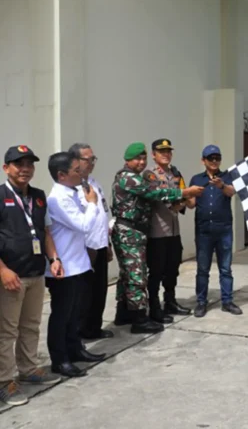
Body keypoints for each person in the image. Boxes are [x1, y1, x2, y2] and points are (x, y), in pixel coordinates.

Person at [111, 142, 203, 334]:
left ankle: (124, 313)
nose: (141, 162)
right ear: (128, 160)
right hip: (133, 231)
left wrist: (184, 197)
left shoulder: (173, 173)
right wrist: (184, 193)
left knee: (131, 274)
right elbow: (155, 193)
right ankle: (140, 319)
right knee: (138, 276)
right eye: (138, 158)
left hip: (142, 231)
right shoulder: (131, 178)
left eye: (143, 158)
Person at [0, 146, 62, 406]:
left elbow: (45, 232)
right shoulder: (1, 195)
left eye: (29, 164)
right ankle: (4, 382)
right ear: (6, 168)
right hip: (11, 276)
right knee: (6, 331)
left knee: (31, 325)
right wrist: (3, 270)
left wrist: (54, 259)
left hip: (36, 272)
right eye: (18, 164)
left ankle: (28, 370)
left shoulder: (38, 196)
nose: (25, 169)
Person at [45, 152, 107, 378]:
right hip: (64, 267)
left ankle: (75, 349)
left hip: (78, 264)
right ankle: (60, 360)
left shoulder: (71, 193)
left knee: (75, 314)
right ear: (61, 175)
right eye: (76, 171)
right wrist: (92, 203)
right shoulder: (57, 199)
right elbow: (84, 225)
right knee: (61, 316)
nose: (82, 174)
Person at [187, 145, 242, 318]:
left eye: (217, 158)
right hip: (204, 230)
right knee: (203, 269)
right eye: (210, 158)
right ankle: (201, 302)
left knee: (225, 268)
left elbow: (232, 192)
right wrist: (185, 194)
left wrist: (221, 185)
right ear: (203, 160)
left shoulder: (227, 176)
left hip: (223, 229)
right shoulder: (196, 178)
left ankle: (227, 301)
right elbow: (191, 204)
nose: (214, 161)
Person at [69, 143, 114, 340]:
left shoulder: (94, 183)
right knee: (83, 295)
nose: (92, 163)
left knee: (99, 291)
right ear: (76, 161)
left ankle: (94, 328)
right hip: (84, 249)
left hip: (100, 245)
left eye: (93, 159)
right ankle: (80, 332)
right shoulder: (72, 189)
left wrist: (108, 244)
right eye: (88, 159)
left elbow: (103, 213)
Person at [143, 139, 191, 324]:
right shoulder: (150, 175)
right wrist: (184, 198)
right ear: (153, 154)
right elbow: (164, 199)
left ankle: (170, 301)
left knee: (172, 269)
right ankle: (154, 307)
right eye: (161, 151)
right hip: (157, 232)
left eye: (168, 151)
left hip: (173, 231)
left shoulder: (175, 173)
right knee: (156, 271)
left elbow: (184, 195)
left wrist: (186, 199)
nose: (166, 154)